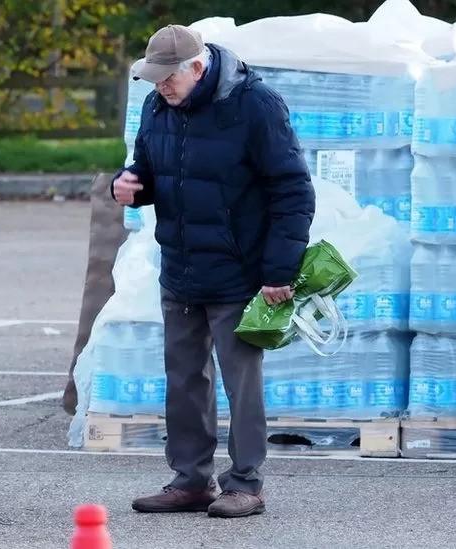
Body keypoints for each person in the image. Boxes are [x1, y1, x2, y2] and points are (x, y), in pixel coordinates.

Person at [113, 25, 315, 518]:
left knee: (240, 382)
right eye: (154, 79)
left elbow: (293, 192)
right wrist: (131, 187)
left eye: (167, 79)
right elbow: (148, 171)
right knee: (183, 378)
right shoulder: (157, 106)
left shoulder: (256, 105)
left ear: (197, 68)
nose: (160, 87)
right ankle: (190, 480)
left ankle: (246, 483)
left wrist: (279, 270)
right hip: (180, 266)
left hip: (241, 272)